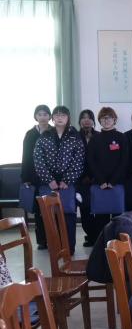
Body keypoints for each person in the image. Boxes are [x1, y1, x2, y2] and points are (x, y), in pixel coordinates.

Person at [33, 106, 84, 255]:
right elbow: (38, 160)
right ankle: (54, 248)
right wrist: (49, 180)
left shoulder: (75, 136)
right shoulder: (44, 136)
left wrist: (67, 180)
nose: (60, 118)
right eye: (57, 115)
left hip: (67, 184)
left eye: (63, 115)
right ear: (53, 118)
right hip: (48, 183)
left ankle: (69, 248)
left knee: (68, 215)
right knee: (50, 216)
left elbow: (79, 160)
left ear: (68, 118)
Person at [87, 107, 128, 232]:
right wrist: (101, 181)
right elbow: (91, 161)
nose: (106, 120)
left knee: (119, 219)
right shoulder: (94, 138)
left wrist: (113, 181)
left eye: (109, 117)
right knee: (100, 220)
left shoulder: (121, 137)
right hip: (100, 184)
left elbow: (124, 160)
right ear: (99, 120)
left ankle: (119, 243)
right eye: (103, 118)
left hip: (117, 183)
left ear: (114, 119)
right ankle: (102, 242)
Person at [21, 104, 51, 249]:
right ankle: (42, 241)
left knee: (52, 209)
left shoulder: (54, 131)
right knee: (39, 211)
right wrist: (25, 178)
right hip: (35, 178)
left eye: (45, 114)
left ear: (49, 116)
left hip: (51, 179)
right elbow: (25, 156)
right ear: (36, 117)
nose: (43, 117)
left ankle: (54, 239)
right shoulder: (30, 134)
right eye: (40, 114)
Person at [77, 109, 100, 247]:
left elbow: (102, 159)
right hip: (81, 179)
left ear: (93, 121)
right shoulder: (74, 136)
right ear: (79, 121)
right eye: (83, 118)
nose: (86, 120)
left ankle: (98, 235)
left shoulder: (99, 136)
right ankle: (90, 235)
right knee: (85, 208)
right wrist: (83, 176)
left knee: (99, 208)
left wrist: (94, 176)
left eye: (89, 118)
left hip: (97, 179)